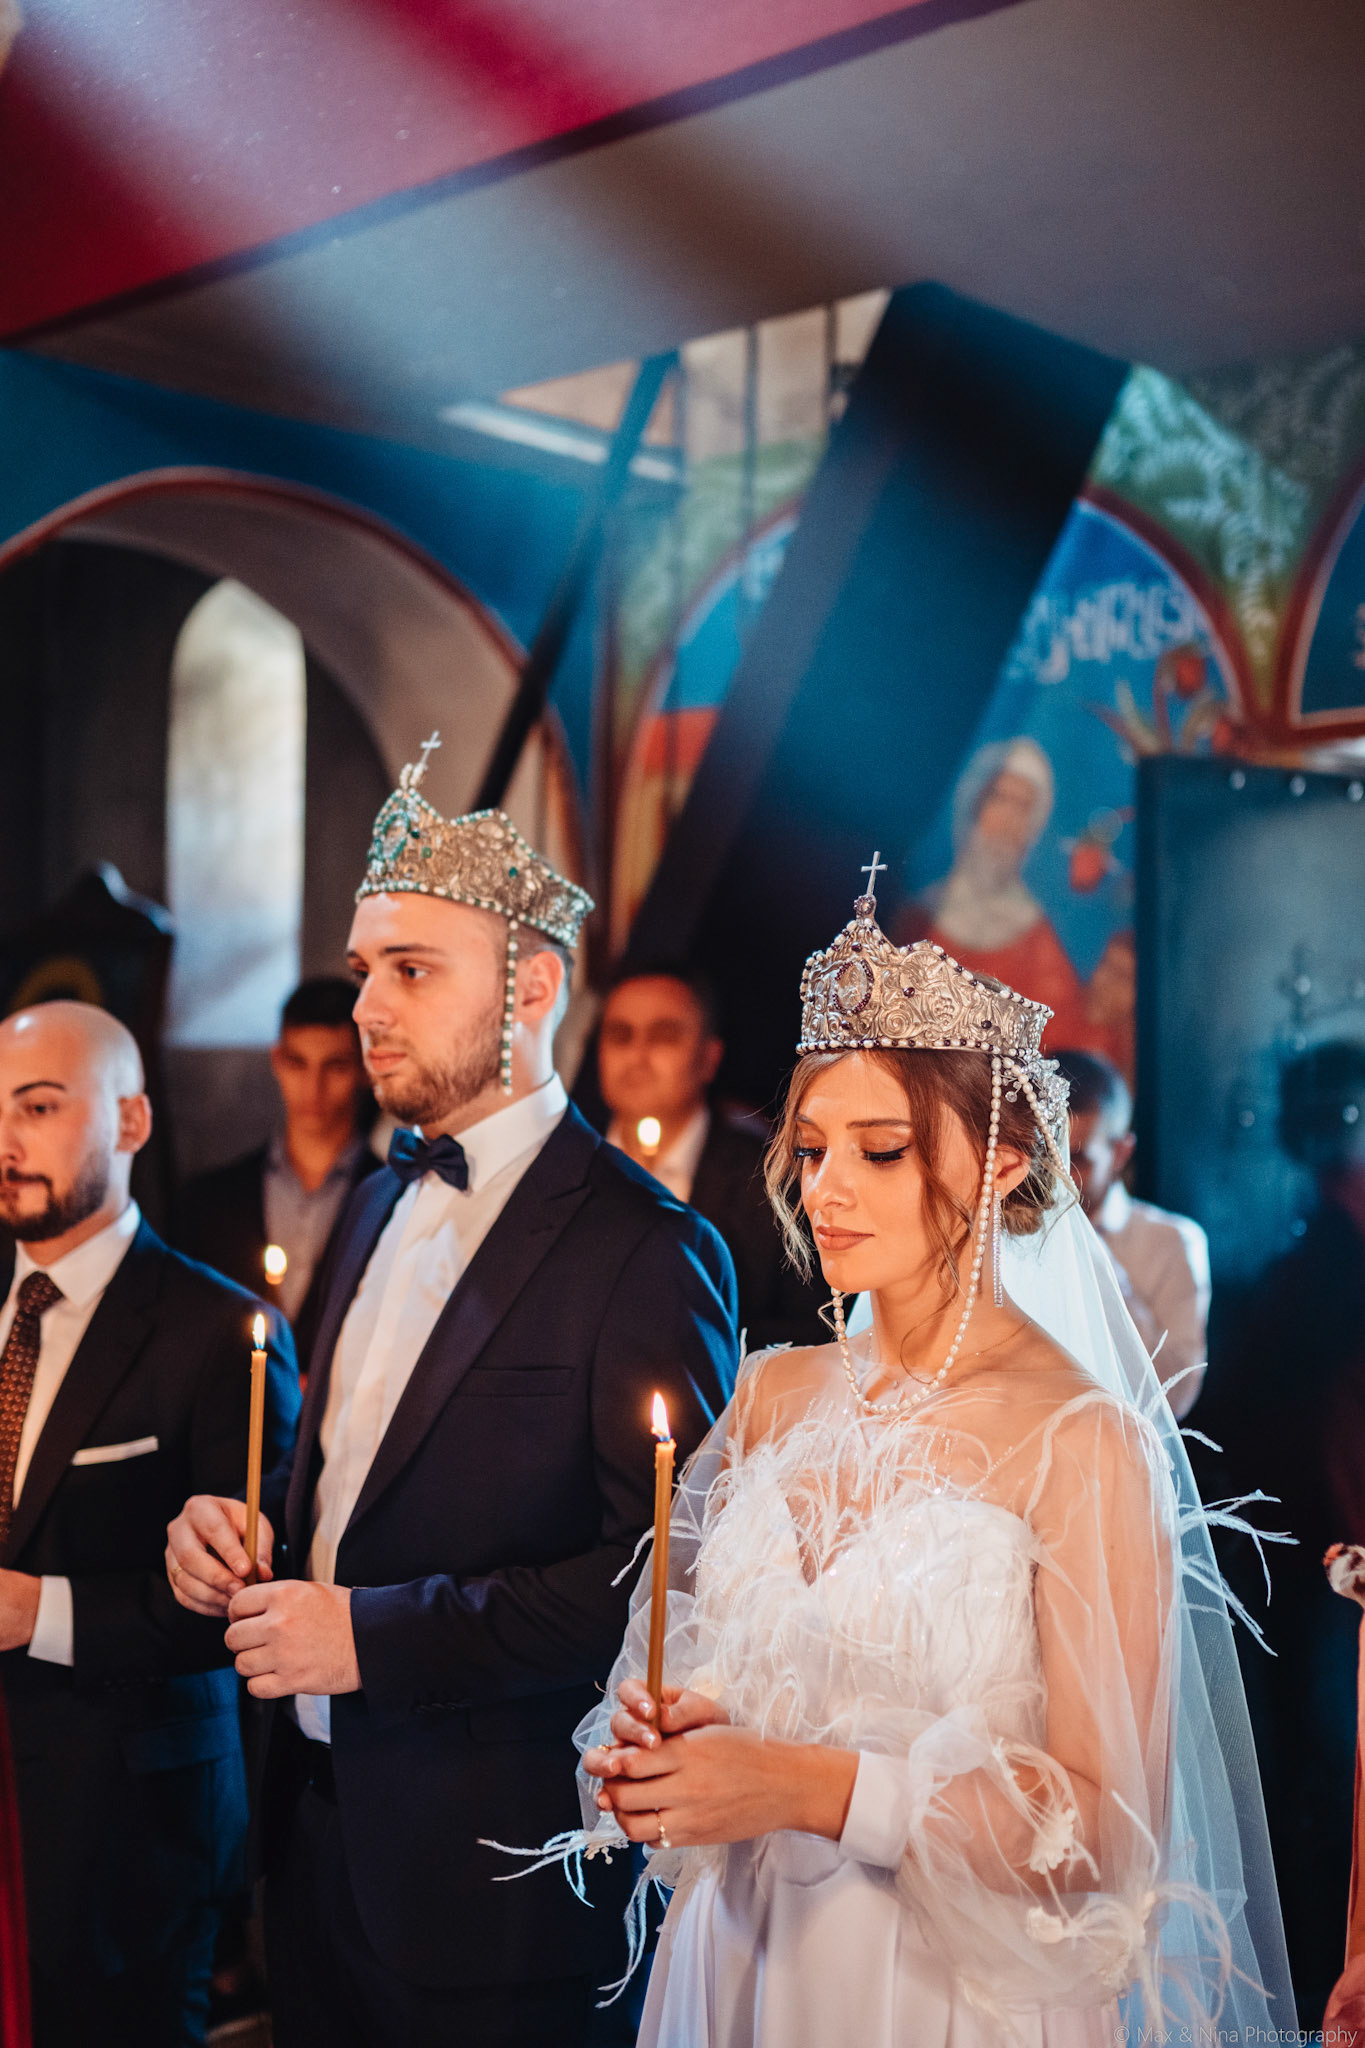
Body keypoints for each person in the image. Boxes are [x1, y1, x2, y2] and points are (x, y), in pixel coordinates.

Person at [544, 872, 1289, 2046]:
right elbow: (723, 1656)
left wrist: (806, 1783)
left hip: (939, 1990)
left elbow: (1103, 1833)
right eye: (810, 1148)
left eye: (880, 1149)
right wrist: (685, 1727)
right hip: (739, 1958)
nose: (826, 1188)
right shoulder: (772, 1391)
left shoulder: (1079, 1435)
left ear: (1001, 1157)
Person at [165, 751, 739, 2048]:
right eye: (364, 968)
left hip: (503, 1889)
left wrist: (371, 1635)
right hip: (312, 1848)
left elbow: (666, 1586)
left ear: (531, 988)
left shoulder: (647, 1249)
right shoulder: (379, 1198)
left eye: (412, 971)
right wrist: (245, 1525)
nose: (368, 1006)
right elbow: (353, 1486)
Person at [0, 1001, 298, 2048]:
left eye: (39, 1106)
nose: (7, 1138)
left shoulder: (218, 1331)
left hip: (123, 1836)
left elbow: (245, 1607)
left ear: (130, 1120)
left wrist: (38, 1611)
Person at [1205, 1040, 1365, 2027]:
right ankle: (1318, 1988)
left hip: (1328, 1548)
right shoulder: (1316, 1251)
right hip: (1320, 1556)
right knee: (1330, 1770)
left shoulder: (1330, 1249)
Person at [598, 963, 826, 1349]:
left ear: (709, 1057)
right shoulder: (561, 1165)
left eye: (664, 1036)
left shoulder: (772, 1181)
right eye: (621, 1035)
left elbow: (815, 1328)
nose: (637, 1055)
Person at [177, 977, 379, 1368]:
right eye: (298, 1063)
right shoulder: (208, 1202)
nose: (313, 1088)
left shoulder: (397, 1199)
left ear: (364, 1069)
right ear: (276, 1061)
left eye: (335, 1066)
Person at [895, 737, 1091, 1047]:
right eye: (999, 799)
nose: (1008, 821)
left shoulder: (1041, 948)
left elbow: (1054, 1046)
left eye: (1023, 807)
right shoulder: (918, 915)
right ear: (972, 805)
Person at [1053, 1047, 1209, 1419]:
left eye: (1077, 1158)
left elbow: (1176, 1397)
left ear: (1121, 1152)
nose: (1054, 1175)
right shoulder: (996, 1233)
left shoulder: (1171, 1241)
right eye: (1042, 1154)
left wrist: (1099, 1267)